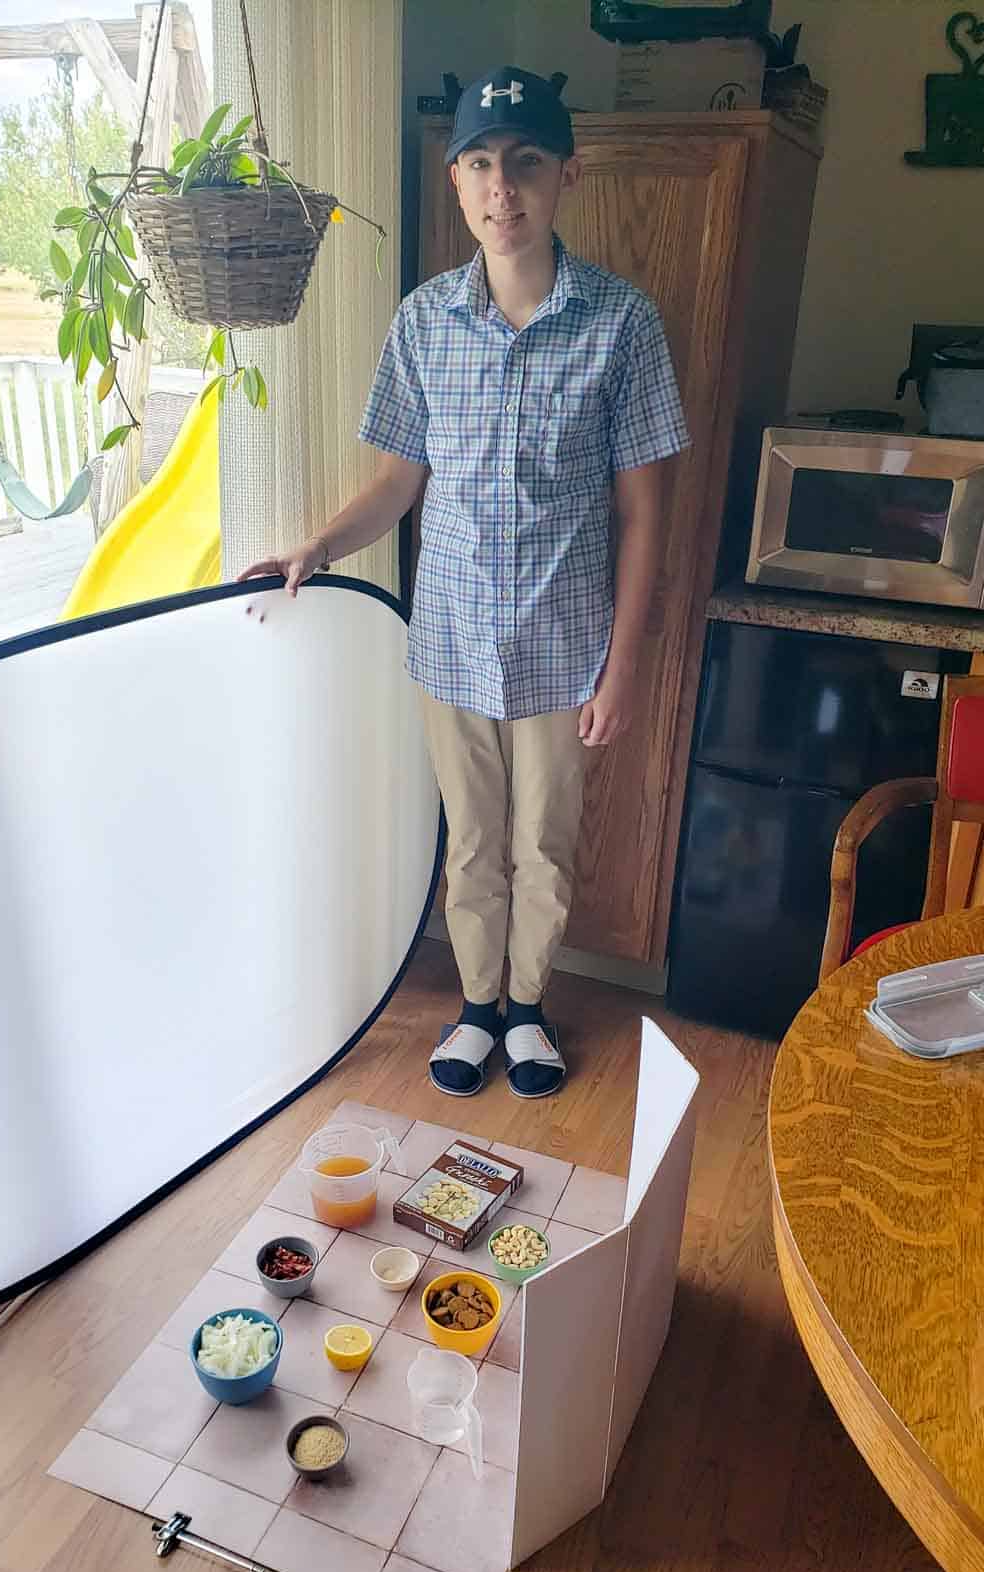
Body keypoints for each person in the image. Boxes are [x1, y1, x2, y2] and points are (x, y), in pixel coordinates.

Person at [241, 66, 688, 1100]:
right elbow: (400, 481)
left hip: (566, 647)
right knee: (473, 842)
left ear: (565, 174)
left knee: (546, 843)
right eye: (481, 165)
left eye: (525, 162)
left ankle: (529, 1006)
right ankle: (478, 1006)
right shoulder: (424, 322)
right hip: (447, 639)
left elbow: (644, 515)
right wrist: (318, 544)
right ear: (455, 183)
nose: (504, 187)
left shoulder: (624, 324)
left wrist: (624, 667)